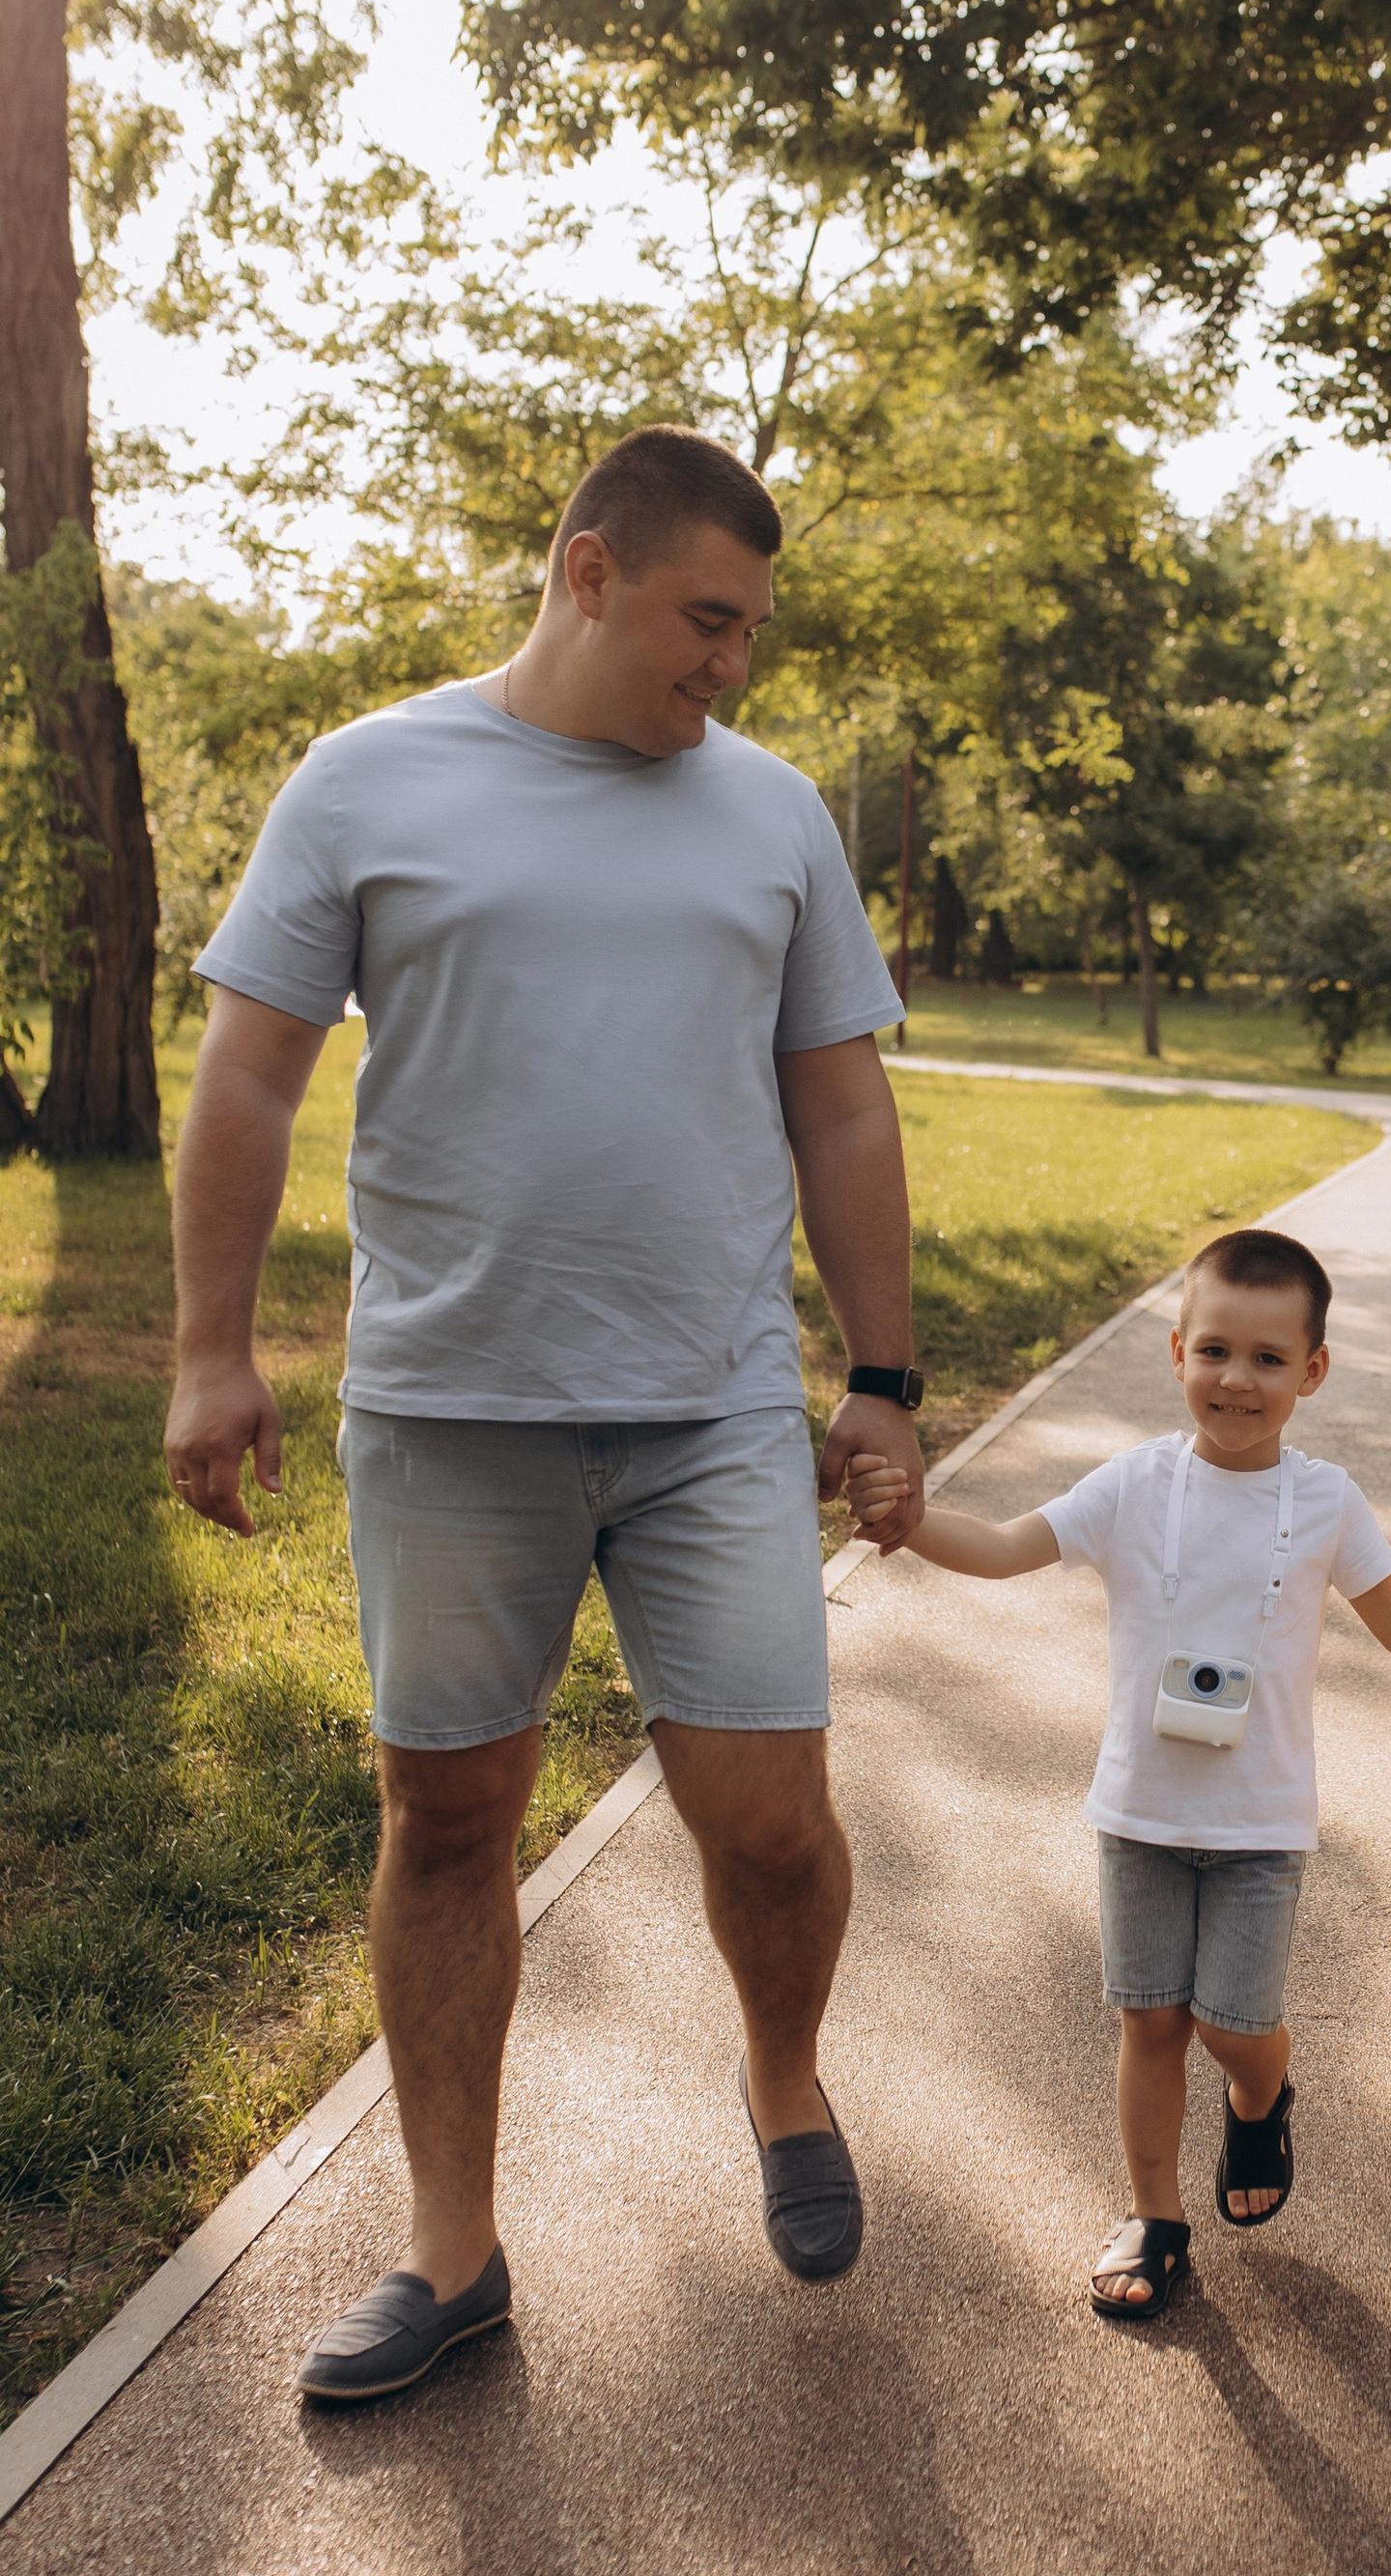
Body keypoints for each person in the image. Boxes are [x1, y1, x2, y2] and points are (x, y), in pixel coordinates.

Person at [164, 427, 926, 2405]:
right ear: (589, 572)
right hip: (449, 1411)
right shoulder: (368, 779)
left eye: (750, 634)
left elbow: (843, 1107)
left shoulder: (771, 814)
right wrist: (211, 1349)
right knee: (447, 1822)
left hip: (708, 1411)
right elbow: (247, 1077)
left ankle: (782, 2078)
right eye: (706, 620)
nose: (730, 666)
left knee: (773, 1824)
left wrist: (883, 1378)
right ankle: (453, 2251)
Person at [847, 1229, 1391, 2319]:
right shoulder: (1133, 1485)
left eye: (1268, 1359)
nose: (1237, 1380)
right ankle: (1154, 2220)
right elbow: (1007, 1547)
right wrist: (911, 1525)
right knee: (1151, 2024)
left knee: (1231, 2027)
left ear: (1312, 1371)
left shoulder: (1327, 1501)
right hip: (1139, 1815)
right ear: (1177, 1353)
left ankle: (1260, 2095)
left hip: (1259, 1827)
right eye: (1215, 1351)